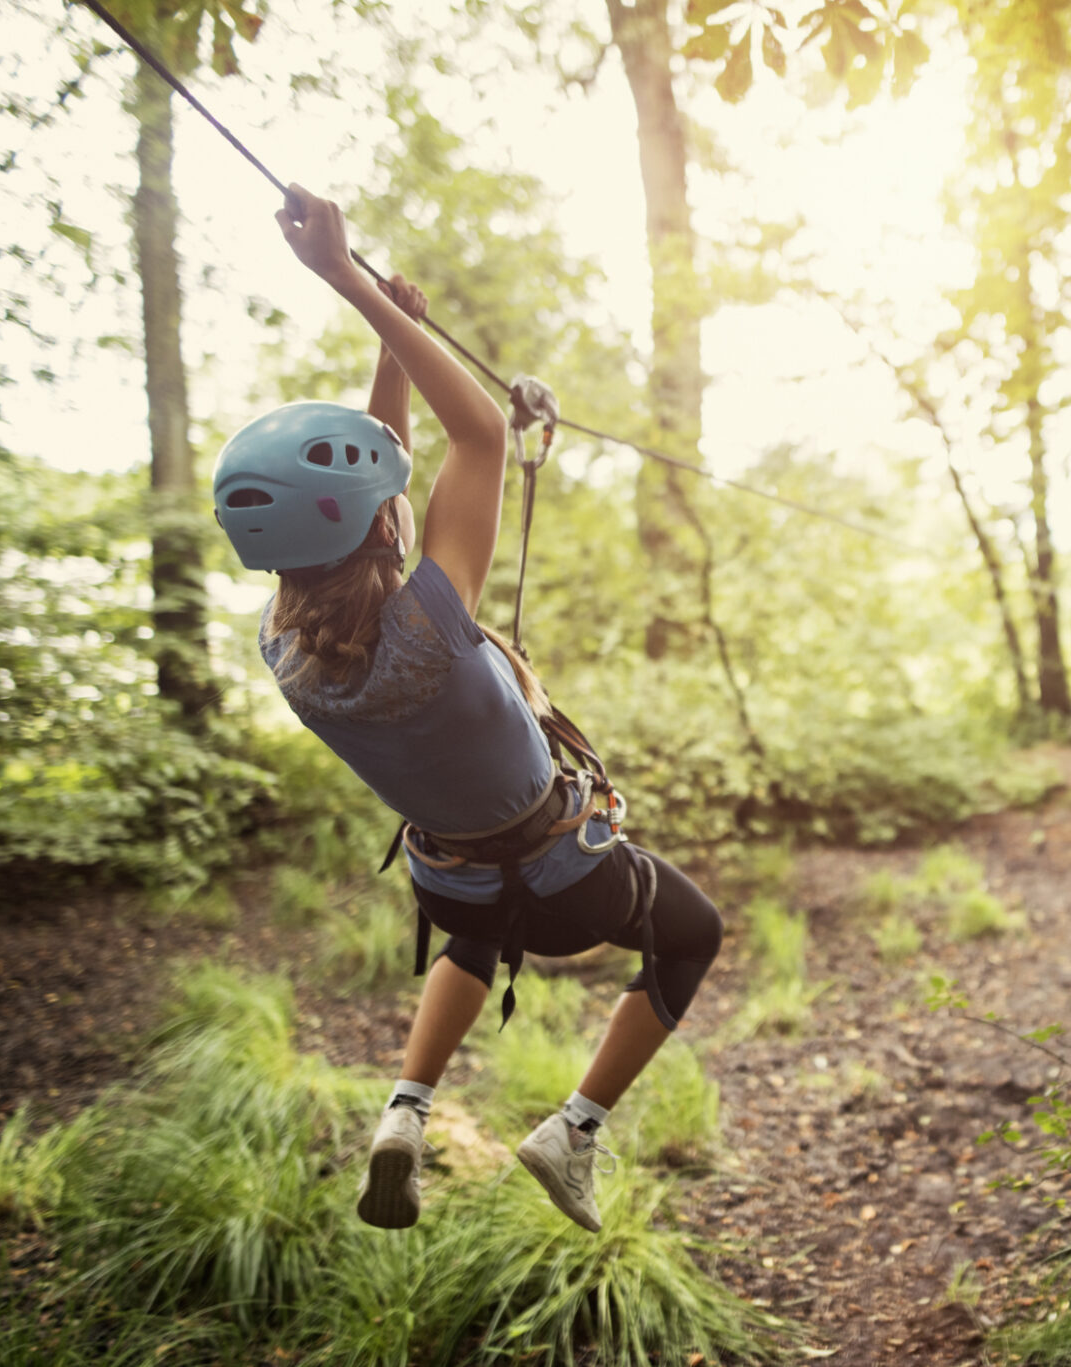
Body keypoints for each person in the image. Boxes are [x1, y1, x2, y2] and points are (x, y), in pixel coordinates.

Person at [212, 186, 723, 1232]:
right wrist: (347, 281)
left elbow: (380, 497)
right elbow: (479, 434)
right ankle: (573, 1131)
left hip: (449, 876)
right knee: (691, 934)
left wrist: (392, 354)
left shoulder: (288, 648)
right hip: (565, 871)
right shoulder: (429, 625)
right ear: (382, 532)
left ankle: (405, 1109)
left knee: (472, 938)